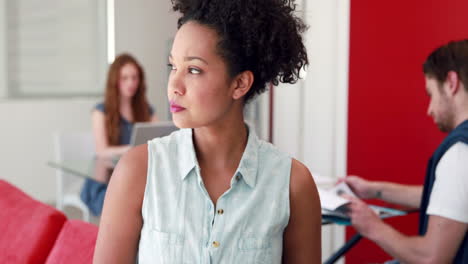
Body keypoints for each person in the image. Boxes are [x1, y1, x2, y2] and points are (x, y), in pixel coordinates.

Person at [93, 0, 321, 263]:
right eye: (173, 67)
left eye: (193, 70)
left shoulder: (293, 184)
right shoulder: (137, 171)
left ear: (239, 83)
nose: (174, 86)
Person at [343, 39, 468, 264]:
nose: (430, 110)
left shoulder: (460, 152)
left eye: (431, 94)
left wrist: (372, 226)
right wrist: (374, 190)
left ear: (451, 82)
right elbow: (452, 199)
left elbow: (431, 257)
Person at [80, 53, 158, 216]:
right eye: (125, 78)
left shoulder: (146, 110)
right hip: (104, 178)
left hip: (134, 175)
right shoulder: (101, 111)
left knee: (151, 201)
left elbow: (159, 140)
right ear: (115, 81)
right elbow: (101, 151)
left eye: (134, 78)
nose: (131, 83)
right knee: (126, 207)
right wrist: (131, 148)